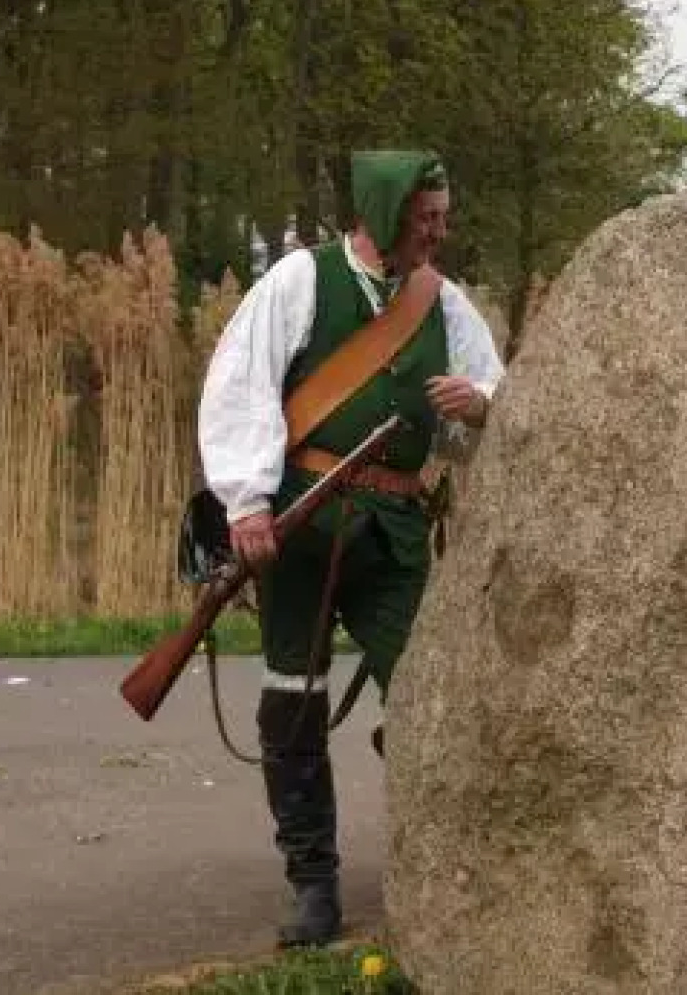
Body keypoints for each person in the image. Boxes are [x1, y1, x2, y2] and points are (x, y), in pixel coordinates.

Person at [196, 150, 505, 947]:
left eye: (442, 216)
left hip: (398, 534)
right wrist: (248, 502)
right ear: (385, 212)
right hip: (303, 523)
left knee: (433, 693)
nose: (439, 231)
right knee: (292, 699)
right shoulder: (301, 282)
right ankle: (313, 883)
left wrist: (477, 407)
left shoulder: (446, 304)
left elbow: (500, 397)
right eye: (426, 217)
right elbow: (242, 386)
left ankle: (444, 867)